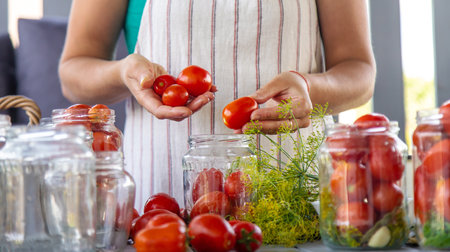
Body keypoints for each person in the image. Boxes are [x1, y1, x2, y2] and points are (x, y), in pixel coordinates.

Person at [59, 0, 376, 210]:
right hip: (163, 202)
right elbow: (74, 71)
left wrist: (310, 88)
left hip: (294, 197)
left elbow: (358, 69)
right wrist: (122, 72)